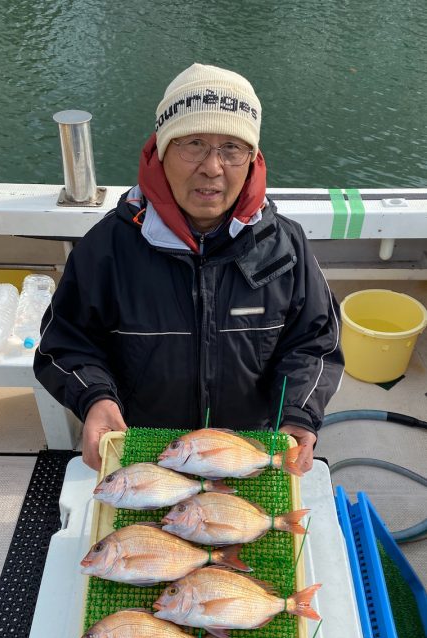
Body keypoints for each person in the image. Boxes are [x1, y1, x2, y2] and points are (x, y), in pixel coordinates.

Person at [34, 63, 344, 473]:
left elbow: (314, 343)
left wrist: (298, 413)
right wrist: (95, 398)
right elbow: (65, 342)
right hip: (145, 449)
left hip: (245, 450)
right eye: (194, 144)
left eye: (232, 147)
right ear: (162, 150)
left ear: (252, 159)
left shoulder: (287, 247)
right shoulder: (106, 248)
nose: (212, 167)